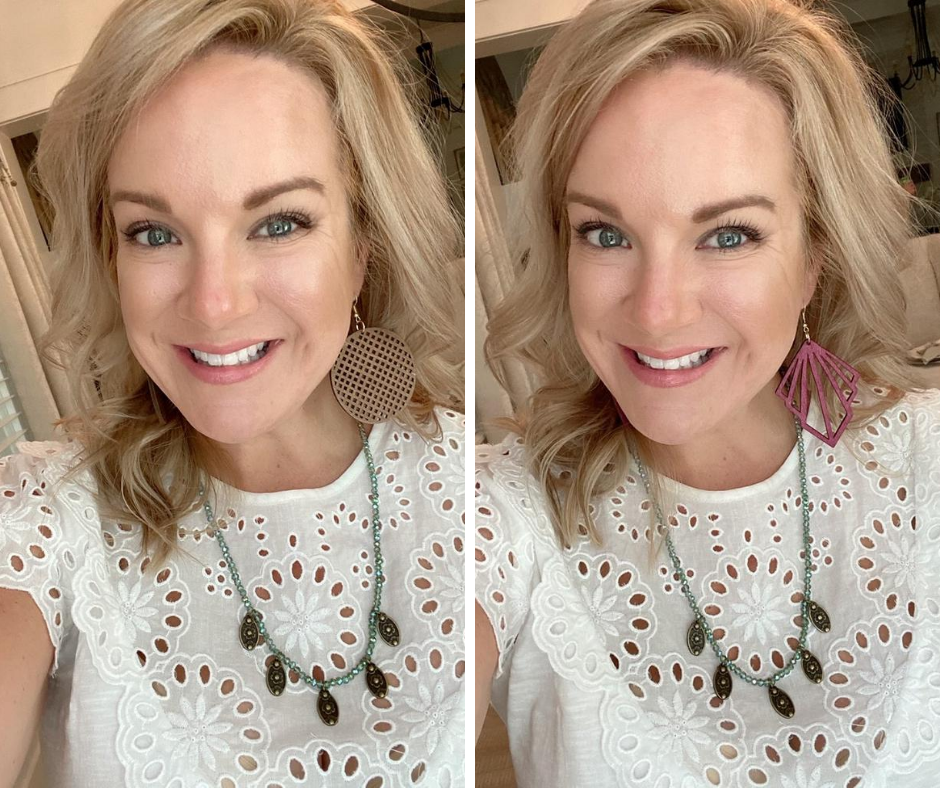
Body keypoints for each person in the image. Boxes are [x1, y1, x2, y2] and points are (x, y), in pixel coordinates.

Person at [474, 0, 940, 785]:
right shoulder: (500, 511)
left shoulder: (928, 457)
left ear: (815, 258)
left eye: (728, 235)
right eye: (606, 234)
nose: (659, 311)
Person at [0, 0, 465, 785]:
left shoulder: (479, 497)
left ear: (364, 246)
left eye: (278, 223)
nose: (214, 304)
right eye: (154, 233)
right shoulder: (46, 520)